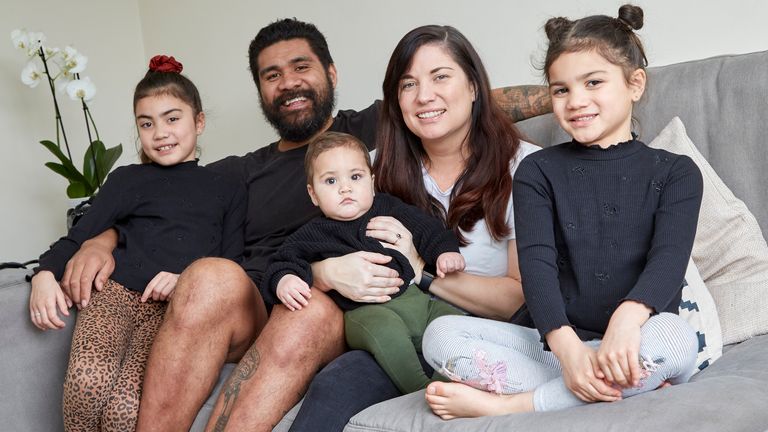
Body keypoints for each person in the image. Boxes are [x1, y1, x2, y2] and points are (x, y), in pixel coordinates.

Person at [58, 19, 552, 432]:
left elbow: (463, 104)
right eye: (271, 75)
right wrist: (101, 237)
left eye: (301, 67)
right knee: (209, 275)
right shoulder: (246, 169)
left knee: (309, 316)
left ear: (331, 73)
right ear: (260, 93)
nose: (288, 83)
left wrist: (578, 92)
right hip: (265, 296)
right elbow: (164, 197)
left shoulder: (370, 140)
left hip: (340, 310)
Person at [421, 4, 704, 419]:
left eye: (593, 82)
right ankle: (610, 384)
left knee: (678, 340)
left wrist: (627, 321)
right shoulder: (538, 169)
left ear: (635, 83)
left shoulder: (676, 172)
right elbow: (536, 267)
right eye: (561, 90)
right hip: (555, 347)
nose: (576, 101)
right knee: (439, 336)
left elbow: (668, 260)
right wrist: (567, 348)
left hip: (637, 339)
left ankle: (516, 404)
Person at [288, 24, 541, 431]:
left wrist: (418, 269)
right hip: (395, 329)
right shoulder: (369, 169)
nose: (424, 96)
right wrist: (324, 273)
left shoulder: (527, 167)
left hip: (489, 336)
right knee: (333, 387)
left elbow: (520, 299)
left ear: (474, 87)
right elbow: (316, 242)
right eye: (408, 84)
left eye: (441, 76)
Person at [28, 55, 246, 431]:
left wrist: (186, 280)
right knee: (85, 382)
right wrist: (44, 275)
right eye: (147, 123)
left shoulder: (227, 187)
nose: (160, 133)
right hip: (114, 295)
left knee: (125, 409)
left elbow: (231, 266)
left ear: (199, 121)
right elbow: (79, 235)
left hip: (173, 312)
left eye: (172, 118)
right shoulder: (126, 179)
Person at [265, 131, 465, 393]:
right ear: (313, 195)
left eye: (355, 177)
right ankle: (419, 388)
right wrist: (285, 279)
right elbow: (282, 261)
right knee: (386, 332)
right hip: (367, 313)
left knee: (458, 323)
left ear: (371, 183)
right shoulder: (314, 233)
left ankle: (451, 381)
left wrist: (445, 252)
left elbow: (428, 229)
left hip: (418, 303)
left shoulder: (388, 207)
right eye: (331, 180)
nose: (345, 188)